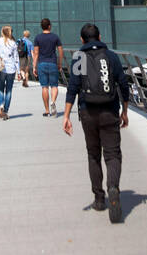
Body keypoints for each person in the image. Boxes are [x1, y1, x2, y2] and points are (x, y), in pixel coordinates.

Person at [62, 23, 129, 222]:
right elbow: (123, 84)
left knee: (93, 155)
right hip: (110, 110)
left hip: (87, 112)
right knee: (113, 153)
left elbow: (72, 87)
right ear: (99, 36)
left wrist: (66, 116)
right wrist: (124, 111)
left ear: (81, 40)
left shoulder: (79, 57)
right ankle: (113, 187)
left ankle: (99, 199)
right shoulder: (111, 56)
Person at [32, 17, 64, 116]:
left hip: (42, 64)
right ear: (49, 26)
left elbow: (36, 53)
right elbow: (60, 51)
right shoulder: (55, 37)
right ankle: (53, 102)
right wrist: (59, 63)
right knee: (54, 86)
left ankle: (47, 111)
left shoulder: (37, 38)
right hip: (53, 63)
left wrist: (34, 67)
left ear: (42, 27)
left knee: (44, 87)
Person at [0, 25, 20, 119]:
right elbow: (16, 58)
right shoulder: (13, 43)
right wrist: (18, 71)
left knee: (0, 88)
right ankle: (6, 110)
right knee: (9, 90)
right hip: (11, 69)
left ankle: (1, 106)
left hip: (1, 68)